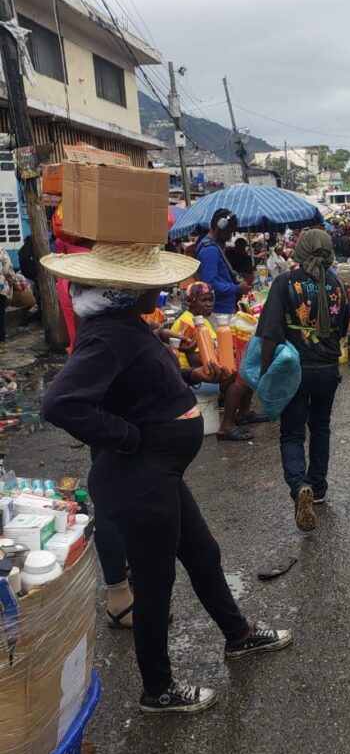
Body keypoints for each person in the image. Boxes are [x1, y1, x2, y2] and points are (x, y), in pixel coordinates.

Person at [40, 242, 292, 716]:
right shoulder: (107, 336)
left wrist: (192, 376)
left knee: (202, 552)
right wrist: (127, 437)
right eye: (148, 285)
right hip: (139, 477)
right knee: (155, 587)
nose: (158, 291)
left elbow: (144, 377)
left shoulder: (127, 328)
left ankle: (238, 635)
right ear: (122, 293)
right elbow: (59, 403)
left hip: (157, 473)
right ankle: (158, 690)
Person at [256, 229, 350, 533]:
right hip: (328, 368)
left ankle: (299, 486)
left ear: (302, 250)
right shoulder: (337, 285)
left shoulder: (285, 283)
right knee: (320, 427)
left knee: (293, 433)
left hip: (295, 370)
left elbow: (270, 333)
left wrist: (265, 374)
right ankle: (318, 487)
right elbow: (344, 328)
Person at [170, 281, 260, 441]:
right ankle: (226, 426)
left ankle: (244, 413)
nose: (209, 304)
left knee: (247, 365)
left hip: (202, 372)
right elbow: (195, 360)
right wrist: (226, 357)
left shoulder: (200, 320)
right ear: (191, 301)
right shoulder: (189, 323)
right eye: (203, 300)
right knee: (241, 376)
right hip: (189, 379)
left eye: (211, 300)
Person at [195, 209, 251, 315]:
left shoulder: (213, 247)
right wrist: (237, 288)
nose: (230, 236)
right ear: (219, 227)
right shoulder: (210, 250)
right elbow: (210, 285)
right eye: (229, 232)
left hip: (222, 310)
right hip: (219, 312)